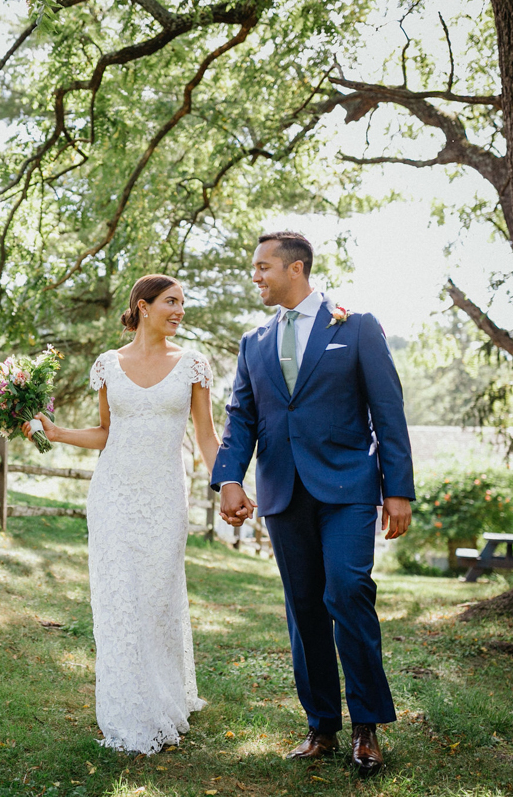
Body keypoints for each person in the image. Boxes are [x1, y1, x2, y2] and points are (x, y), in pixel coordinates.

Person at [211, 231, 415, 777]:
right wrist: (228, 479)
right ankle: (321, 725)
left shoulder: (356, 326)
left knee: (348, 591)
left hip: (348, 488)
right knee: (303, 609)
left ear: (295, 268)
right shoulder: (254, 342)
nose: (254, 275)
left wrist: (398, 490)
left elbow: (388, 411)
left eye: (262, 267)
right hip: (283, 492)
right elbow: (242, 419)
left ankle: (367, 726)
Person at [23, 274, 227, 755]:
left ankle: (164, 699)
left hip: (163, 496)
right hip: (113, 493)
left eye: (182, 303)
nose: (179, 310)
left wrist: (230, 486)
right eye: (171, 302)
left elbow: (206, 437)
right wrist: (57, 433)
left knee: (156, 598)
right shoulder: (107, 365)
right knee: (119, 600)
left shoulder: (193, 365)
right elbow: (105, 432)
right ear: (143, 306)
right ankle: (127, 711)